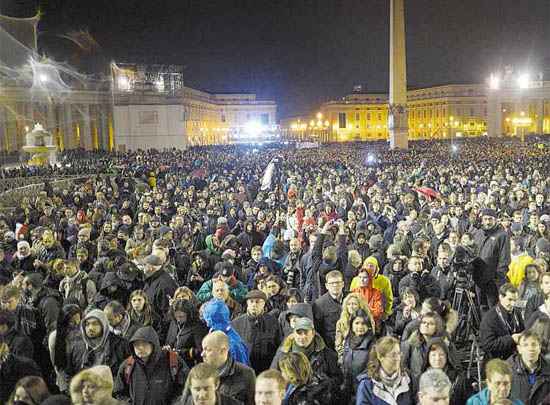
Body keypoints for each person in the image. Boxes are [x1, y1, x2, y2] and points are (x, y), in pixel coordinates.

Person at [270, 317, 342, 399]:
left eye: (306, 332)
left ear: (313, 333)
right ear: (293, 333)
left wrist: (324, 385)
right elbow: (273, 375)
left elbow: (338, 378)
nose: (303, 336)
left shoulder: (327, 354)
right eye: (299, 333)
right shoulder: (283, 352)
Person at [114, 326, 189, 405]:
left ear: (154, 344)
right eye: (136, 344)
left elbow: (185, 390)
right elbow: (118, 393)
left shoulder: (173, 361)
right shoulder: (128, 365)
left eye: (144, 343)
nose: (140, 348)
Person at [194, 331, 256, 405]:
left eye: (207, 350)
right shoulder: (199, 374)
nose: (202, 354)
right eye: (203, 349)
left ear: (222, 351)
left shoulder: (246, 374)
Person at [231, 290, 282, 373]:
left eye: (258, 302)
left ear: (264, 304)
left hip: (266, 370)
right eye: (251, 302)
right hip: (243, 370)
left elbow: (278, 346)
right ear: (247, 303)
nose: (254, 304)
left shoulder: (273, 322)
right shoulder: (236, 323)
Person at [355, 336, 414, 405]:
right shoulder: (366, 384)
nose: (398, 358)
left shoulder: (407, 379)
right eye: (393, 355)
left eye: (399, 354)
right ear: (380, 357)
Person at [474, 208, 511, 307]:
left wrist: (497, 280)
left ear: (495, 220)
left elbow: (504, 259)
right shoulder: (478, 234)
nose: (487, 222)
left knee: (493, 310)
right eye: (485, 219)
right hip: (479, 280)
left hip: (492, 282)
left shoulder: (502, 235)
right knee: (481, 308)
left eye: (490, 219)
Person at [480, 283, 524, 360]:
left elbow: (522, 331)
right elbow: (487, 345)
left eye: (515, 300)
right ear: (501, 297)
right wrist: (511, 339)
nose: (513, 304)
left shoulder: (517, 312)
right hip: (497, 359)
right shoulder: (489, 318)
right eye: (510, 300)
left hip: (516, 357)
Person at [507, 330, 550, 404]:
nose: (530, 349)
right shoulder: (508, 369)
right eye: (525, 345)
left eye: (534, 344)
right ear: (519, 349)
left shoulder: (548, 368)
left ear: (539, 347)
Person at [312, 270, 344, 349]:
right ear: (326, 286)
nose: (335, 285)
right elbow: (318, 330)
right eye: (332, 283)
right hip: (330, 346)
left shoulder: (351, 299)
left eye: (338, 282)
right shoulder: (319, 304)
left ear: (343, 284)